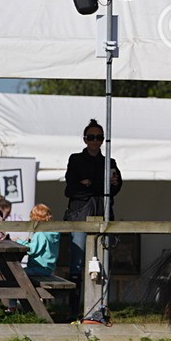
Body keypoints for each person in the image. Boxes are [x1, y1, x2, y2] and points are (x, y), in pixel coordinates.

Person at [64, 119, 123, 282]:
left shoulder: (109, 162)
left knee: (103, 260)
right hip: (79, 216)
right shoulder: (75, 159)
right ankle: (74, 306)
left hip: (102, 214)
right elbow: (71, 189)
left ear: (103, 140)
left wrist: (89, 183)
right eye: (91, 137)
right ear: (85, 139)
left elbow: (116, 189)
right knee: (77, 260)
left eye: (99, 137)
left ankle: (101, 303)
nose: (95, 141)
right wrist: (100, 186)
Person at [18, 204, 59, 277]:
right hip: (49, 269)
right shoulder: (52, 232)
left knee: (17, 274)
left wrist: (19, 242)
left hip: (38, 268)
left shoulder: (40, 233)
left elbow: (32, 250)